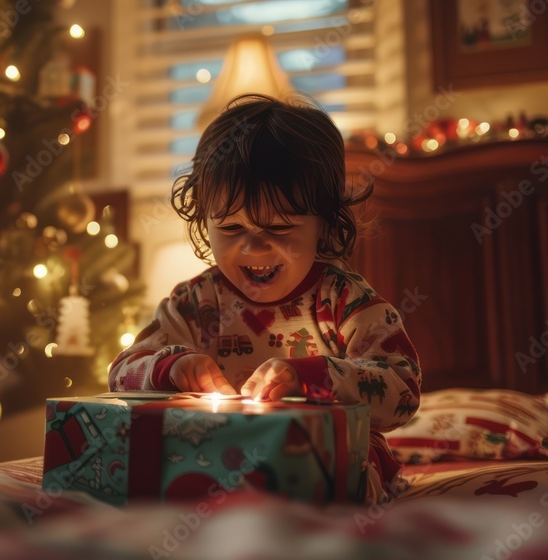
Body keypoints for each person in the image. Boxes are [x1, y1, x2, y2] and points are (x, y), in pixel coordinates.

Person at [107, 93, 421, 502]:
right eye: (231, 227)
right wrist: (172, 366)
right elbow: (120, 373)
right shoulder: (193, 303)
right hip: (213, 457)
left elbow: (403, 390)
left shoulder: (345, 300)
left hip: (332, 457)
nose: (253, 248)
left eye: (278, 227)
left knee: (357, 466)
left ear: (324, 225)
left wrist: (317, 378)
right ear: (205, 221)